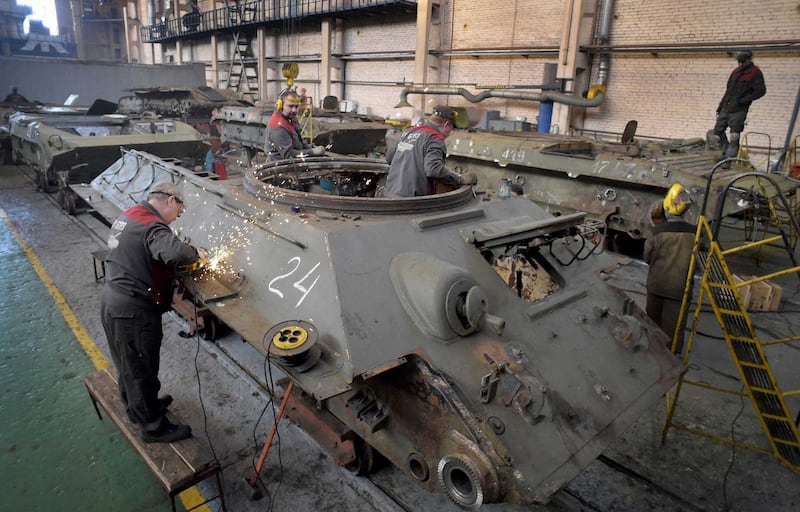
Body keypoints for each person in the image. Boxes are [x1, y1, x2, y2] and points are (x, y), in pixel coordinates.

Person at [100, 182, 206, 443]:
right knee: (141, 368)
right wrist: (196, 255)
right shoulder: (152, 224)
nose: (178, 217)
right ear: (171, 201)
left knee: (129, 364)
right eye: (179, 211)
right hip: (133, 311)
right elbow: (175, 252)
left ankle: (140, 409)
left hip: (114, 302)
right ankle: (153, 427)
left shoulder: (130, 215)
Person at [643, 183, 697, 353]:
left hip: (656, 285)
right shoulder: (696, 233)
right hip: (680, 289)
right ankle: (671, 357)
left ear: (666, 208)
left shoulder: (657, 232)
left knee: (651, 323)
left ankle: (651, 353)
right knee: (674, 328)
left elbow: (647, 257)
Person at [384, 106, 476, 198]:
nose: (449, 134)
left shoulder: (408, 132)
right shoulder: (435, 138)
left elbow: (389, 158)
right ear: (446, 124)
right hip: (412, 201)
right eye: (451, 129)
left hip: (390, 195)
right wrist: (459, 179)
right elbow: (433, 170)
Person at [713, 50, 766, 161]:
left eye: (743, 62)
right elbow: (728, 91)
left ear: (749, 59)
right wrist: (720, 106)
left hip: (739, 110)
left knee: (734, 136)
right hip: (726, 107)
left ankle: (729, 159)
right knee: (717, 133)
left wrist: (744, 100)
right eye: (739, 62)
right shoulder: (736, 72)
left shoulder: (755, 73)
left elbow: (761, 91)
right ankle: (725, 153)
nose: (741, 64)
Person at [264, 89, 325, 162]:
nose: (294, 110)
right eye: (290, 106)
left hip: (293, 163)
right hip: (282, 167)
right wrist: (313, 152)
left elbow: (300, 144)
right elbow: (288, 155)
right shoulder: (279, 127)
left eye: (296, 107)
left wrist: (310, 148)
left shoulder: (291, 119)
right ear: (280, 105)